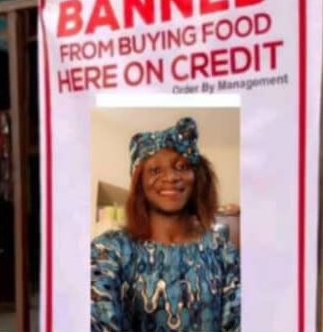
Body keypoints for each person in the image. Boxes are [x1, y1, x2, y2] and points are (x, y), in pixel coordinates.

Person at [91, 117, 241, 332]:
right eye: (155, 170)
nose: (171, 177)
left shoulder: (223, 253)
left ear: (197, 177)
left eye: (182, 166)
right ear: (139, 183)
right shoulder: (109, 251)